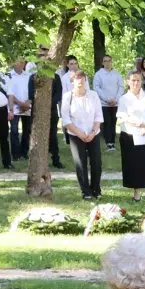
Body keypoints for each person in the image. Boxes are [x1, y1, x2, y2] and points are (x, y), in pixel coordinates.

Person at [117, 69, 145, 200]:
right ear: (128, 82)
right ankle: (136, 192)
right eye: (133, 80)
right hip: (131, 135)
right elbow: (123, 116)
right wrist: (140, 124)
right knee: (134, 164)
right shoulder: (124, 98)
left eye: (138, 80)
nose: (136, 83)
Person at [61, 70, 104, 201]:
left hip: (93, 134)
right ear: (72, 81)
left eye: (82, 78)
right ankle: (86, 191)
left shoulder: (93, 95)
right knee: (80, 163)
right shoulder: (67, 97)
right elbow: (66, 120)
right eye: (76, 78)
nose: (80, 81)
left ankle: (96, 189)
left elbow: (98, 116)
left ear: (86, 80)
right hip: (75, 135)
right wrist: (80, 134)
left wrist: (92, 133)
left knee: (96, 162)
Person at [4, 57, 35, 159]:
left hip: (27, 107)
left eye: (22, 63)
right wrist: (19, 103)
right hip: (14, 107)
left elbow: (32, 91)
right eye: (18, 62)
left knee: (27, 130)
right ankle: (16, 154)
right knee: (14, 130)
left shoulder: (28, 76)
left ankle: (24, 152)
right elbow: (8, 92)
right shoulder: (8, 75)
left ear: (24, 64)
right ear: (14, 63)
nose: (20, 64)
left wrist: (27, 104)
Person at [92, 55, 123, 148]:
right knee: (107, 123)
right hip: (104, 104)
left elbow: (121, 87)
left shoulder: (117, 74)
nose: (107, 63)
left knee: (113, 122)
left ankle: (112, 141)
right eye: (105, 61)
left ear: (111, 62)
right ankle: (109, 143)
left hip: (115, 103)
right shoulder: (98, 74)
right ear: (102, 63)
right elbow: (96, 88)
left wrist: (116, 99)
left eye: (109, 61)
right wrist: (106, 99)